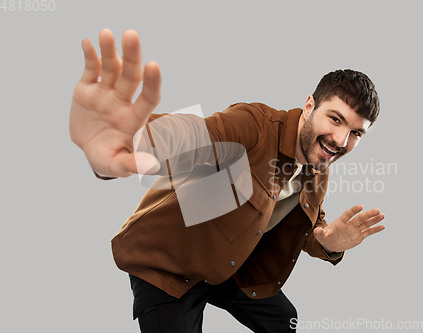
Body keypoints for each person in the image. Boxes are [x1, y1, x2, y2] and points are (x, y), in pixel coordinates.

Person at [70, 29, 386, 333]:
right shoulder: (256, 125)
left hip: (225, 267)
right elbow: (193, 138)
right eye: (335, 119)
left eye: (356, 133)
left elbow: (310, 224)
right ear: (309, 107)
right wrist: (124, 141)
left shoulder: (319, 169)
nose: (342, 140)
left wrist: (327, 244)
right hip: (166, 265)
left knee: (284, 320)